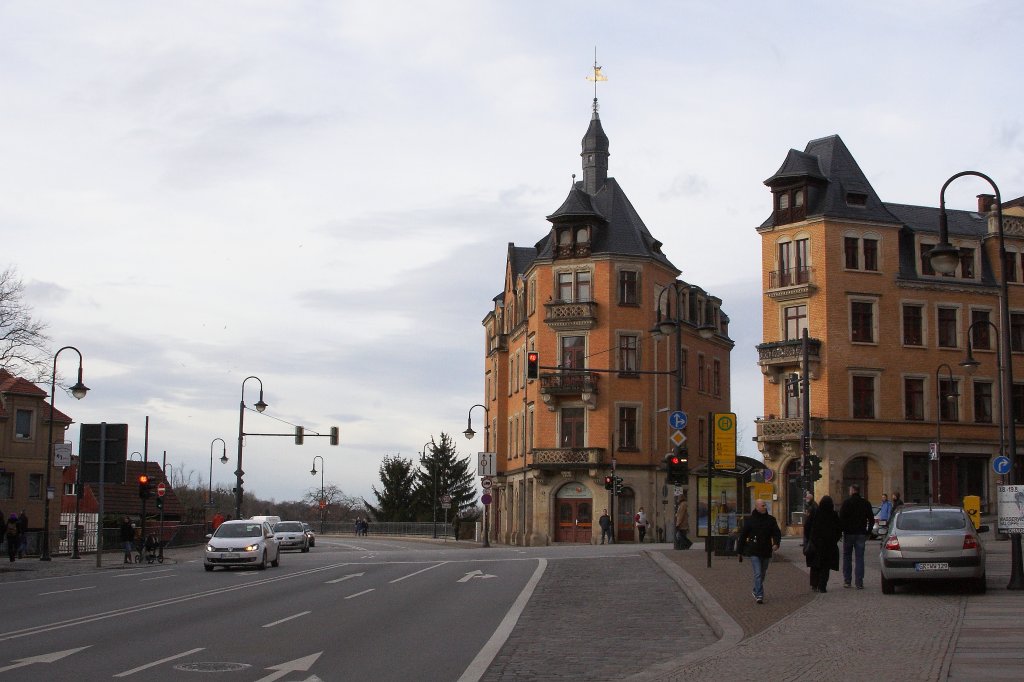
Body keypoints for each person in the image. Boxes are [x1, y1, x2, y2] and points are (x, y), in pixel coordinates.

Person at [736, 499, 781, 604]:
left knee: (763, 572)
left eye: (765, 505)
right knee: (758, 573)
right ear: (756, 507)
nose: (764, 507)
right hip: (754, 550)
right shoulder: (750, 520)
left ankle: (756, 590)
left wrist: (776, 543)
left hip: (766, 550)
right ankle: (759, 595)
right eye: (762, 505)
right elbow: (743, 536)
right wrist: (740, 551)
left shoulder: (771, 520)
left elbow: (776, 533)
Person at [839, 484, 874, 589]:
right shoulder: (865, 503)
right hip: (861, 533)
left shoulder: (846, 503)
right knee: (859, 558)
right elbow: (871, 519)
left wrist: (841, 531)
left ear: (852, 491)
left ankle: (847, 581)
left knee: (847, 557)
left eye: (850, 490)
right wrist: (868, 531)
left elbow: (841, 519)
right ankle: (859, 582)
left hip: (848, 533)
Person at [805, 495, 842, 592]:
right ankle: (822, 586)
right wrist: (835, 540)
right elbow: (839, 529)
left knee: (815, 565)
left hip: (816, 543)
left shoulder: (815, 512)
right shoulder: (833, 514)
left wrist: (810, 538)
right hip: (829, 545)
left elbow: (807, 526)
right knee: (826, 566)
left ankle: (814, 584)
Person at [802, 492, 819, 590]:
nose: (805, 500)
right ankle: (817, 584)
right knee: (816, 563)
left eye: (807, 498)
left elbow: (807, 527)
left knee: (814, 563)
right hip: (816, 540)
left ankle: (814, 584)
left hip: (812, 540)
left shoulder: (813, 508)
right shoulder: (814, 506)